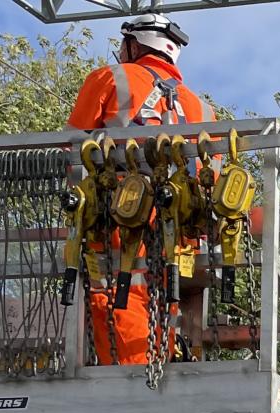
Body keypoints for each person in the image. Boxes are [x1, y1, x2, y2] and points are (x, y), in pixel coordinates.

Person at [66, 14, 209, 366]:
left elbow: (69, 148)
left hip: (121, 207)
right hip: (179, 221)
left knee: (116, 288)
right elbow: (211, 177)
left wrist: (76, 207)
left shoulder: (111, 78)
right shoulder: (201, 107)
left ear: (133, 44)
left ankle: (132, 376)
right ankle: (160, 364)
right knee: (165, 292)